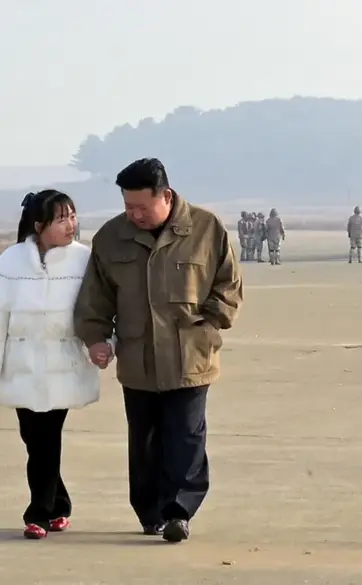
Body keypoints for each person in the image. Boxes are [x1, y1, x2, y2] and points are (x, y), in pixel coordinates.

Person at [73, 158, 243, 543]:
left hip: (190, 355)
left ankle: (179, 512)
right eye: (128, 206)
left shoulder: (206, 228)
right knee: (145, 441)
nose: (134, 215)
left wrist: (210, 323)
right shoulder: (111, 237)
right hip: (138, 358)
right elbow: (96, 297)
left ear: (166, 196)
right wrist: (96, 338)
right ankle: (150, 513)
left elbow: (228, 284)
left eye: (142, 207)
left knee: (186, 435)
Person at [0, 190, 111, 540]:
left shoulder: (83, 260)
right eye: (61, 219)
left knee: (46, 438)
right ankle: (60, 504)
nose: (71, 225)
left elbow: (100, 308)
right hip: (21, 364)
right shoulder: (11, 261)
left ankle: (39, 514)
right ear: (39, 226)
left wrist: (104, 344)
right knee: (33, 438)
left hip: (62, 364)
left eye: (73, 216)